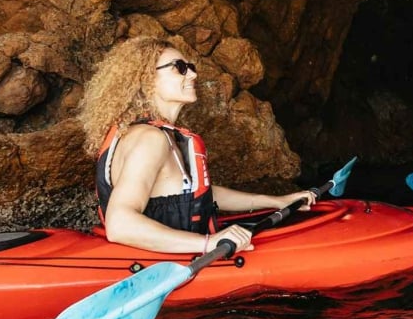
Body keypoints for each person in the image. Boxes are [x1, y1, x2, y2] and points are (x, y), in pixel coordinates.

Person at [79, 36, 315, 254]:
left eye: (191, 67)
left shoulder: (160, 134)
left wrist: (276, 201)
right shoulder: (149, 139)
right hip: (159, 266)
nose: (192, 75)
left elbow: (197, 193)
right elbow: (120, 224)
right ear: (146, 79)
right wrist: (208, 243)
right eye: (179, 68)